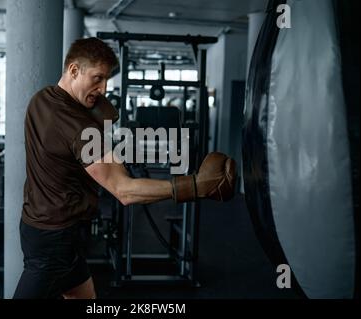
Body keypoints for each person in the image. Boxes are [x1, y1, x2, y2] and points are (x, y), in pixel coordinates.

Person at [13, 37, 237, 299]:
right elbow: (124, 190)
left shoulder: (43, 98)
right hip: (55, 240)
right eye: (97, 78)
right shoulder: (79, 127)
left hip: (45, 227)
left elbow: (66, 150)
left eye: (106, 79)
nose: (104, 88)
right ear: (74, 70)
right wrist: (196, 185)